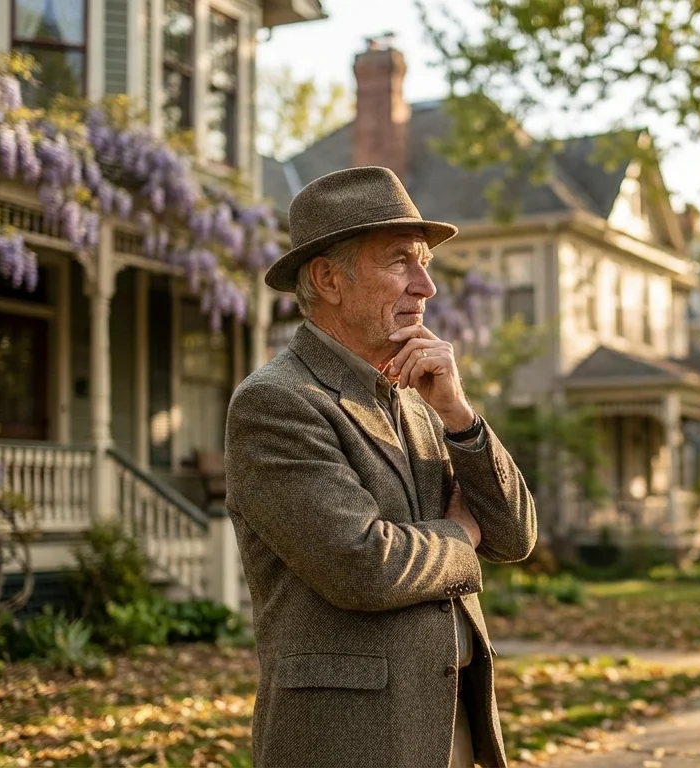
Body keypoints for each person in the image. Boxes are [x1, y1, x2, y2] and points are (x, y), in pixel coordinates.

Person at [225, 166, 538, 768]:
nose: (427, 287)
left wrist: (459, 416)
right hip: (350, 739)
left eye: (425, 262)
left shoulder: (419, 398)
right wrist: (461, 534)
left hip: (453, 726)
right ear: (328, 279)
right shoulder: (279, 402)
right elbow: (363, 565)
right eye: (400, 261)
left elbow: (517, 535)